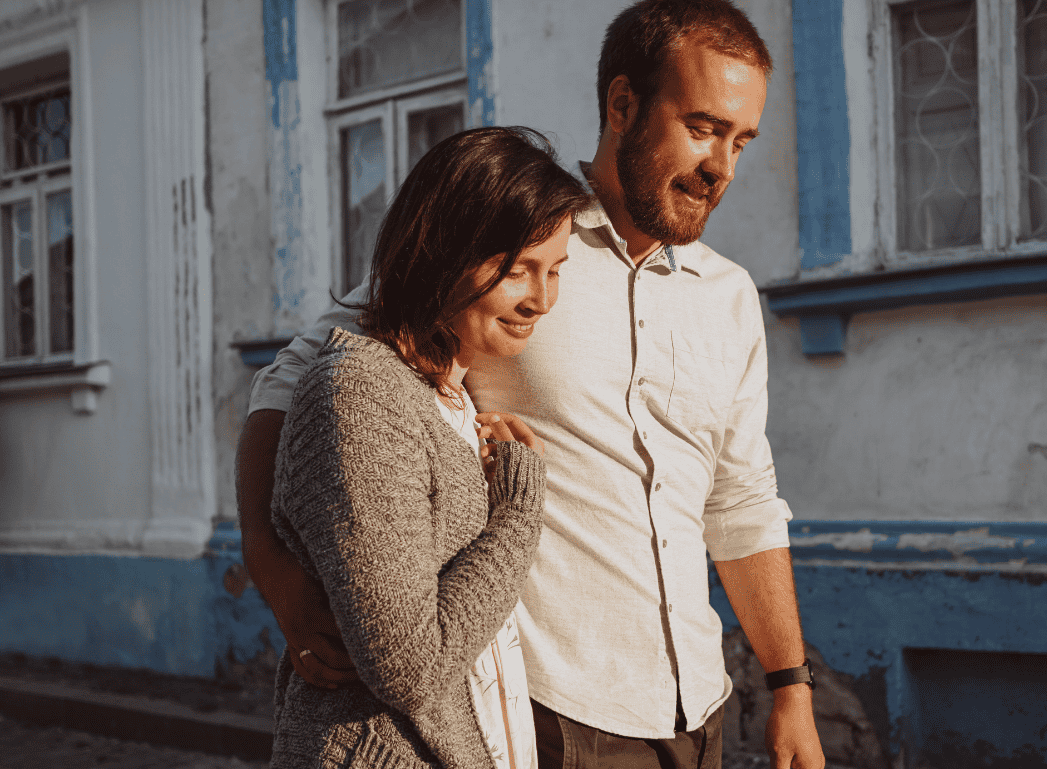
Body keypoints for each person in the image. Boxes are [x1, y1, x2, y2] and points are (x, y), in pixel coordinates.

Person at [236, 2, 827, 769]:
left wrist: (790, 686)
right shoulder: (507, 244)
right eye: (704, 128)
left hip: (696, 706)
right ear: (622, 105)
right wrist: (270, 564)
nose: (724, 166)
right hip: (549, 710)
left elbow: (741, 498)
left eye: (741, 140)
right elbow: (293, 379)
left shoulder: (729, 296)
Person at [265, 126, 592, 769]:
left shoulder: (444, 394)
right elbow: (411, 668)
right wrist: (519, 515)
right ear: (443, 255)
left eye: (555, 270)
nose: (543, 299)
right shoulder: (361, 394)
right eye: (519, 270)